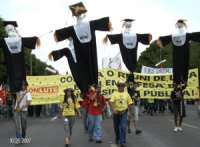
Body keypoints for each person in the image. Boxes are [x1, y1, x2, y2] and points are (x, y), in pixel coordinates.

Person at [54, 2, 112, 93]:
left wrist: (57, 33)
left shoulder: (75, 28)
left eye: (80, 14)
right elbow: (104, 22)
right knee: (89, 70)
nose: (79, 16)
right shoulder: (89, 24)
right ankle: (89, 90)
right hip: (87, 52)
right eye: (79, 14)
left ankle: (90, 90)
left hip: (82, 53)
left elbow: (59, 34)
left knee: (86, 71)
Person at [0, 21, 40, 93]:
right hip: (20, 66)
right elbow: (31, 40)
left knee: (12, 78)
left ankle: (15, 93)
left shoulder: (4, 41)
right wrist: (36, 39)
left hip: (10, 66)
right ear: (13, 29)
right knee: (21, 81)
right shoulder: (20, 40)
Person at [157, 19, 200, 85]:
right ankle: (181, 82)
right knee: (182, 67)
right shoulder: (185, 35)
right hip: (184, 54)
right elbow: (195, 35)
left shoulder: (173, 36)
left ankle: (178, 82)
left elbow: (164, 39)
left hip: (177, 55)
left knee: (177, 67)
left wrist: (160, 40)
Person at [110, 80, 133, 147]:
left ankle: (123, 142)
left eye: (122, 85)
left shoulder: (127, 94)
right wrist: (113, 109)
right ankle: (117, 137)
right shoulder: (114, 93)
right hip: (116, 113)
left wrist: (130, 113)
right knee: (116, 127)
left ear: (124, 86)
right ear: (117, 86)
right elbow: (111, 102)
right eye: (119, 85)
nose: (121, 87)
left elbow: (130, 104)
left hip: (124, 112)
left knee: (123, 127)